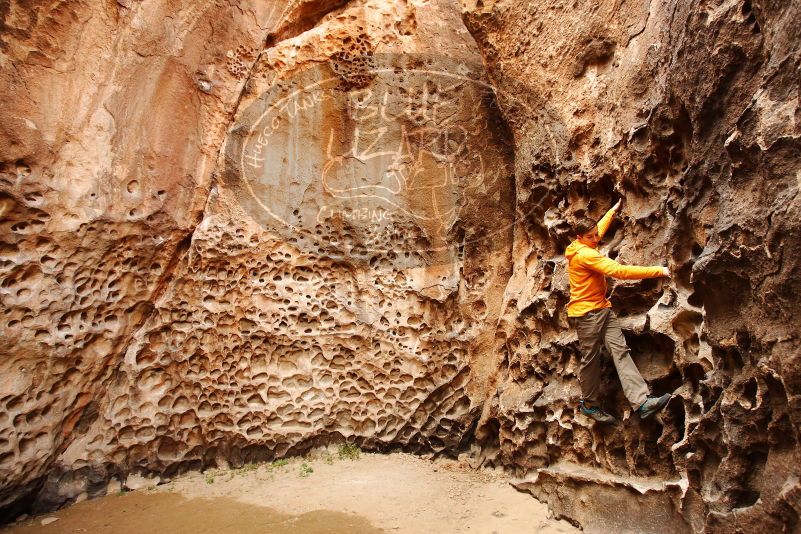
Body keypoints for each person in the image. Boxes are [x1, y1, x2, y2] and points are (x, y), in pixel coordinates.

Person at [565, 200, 672, 424]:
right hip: (587, 315)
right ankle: (590, 406)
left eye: (596, 234)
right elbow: (619, 271)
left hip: (603, 310)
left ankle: (642, 402)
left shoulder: (586, 243)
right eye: (591, 237)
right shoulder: (585, 255)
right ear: (580, 238)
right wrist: (659, 271)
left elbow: (598, 228)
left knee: (620, 351)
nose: (597, 239)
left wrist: (612, 211)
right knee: (590, 360)